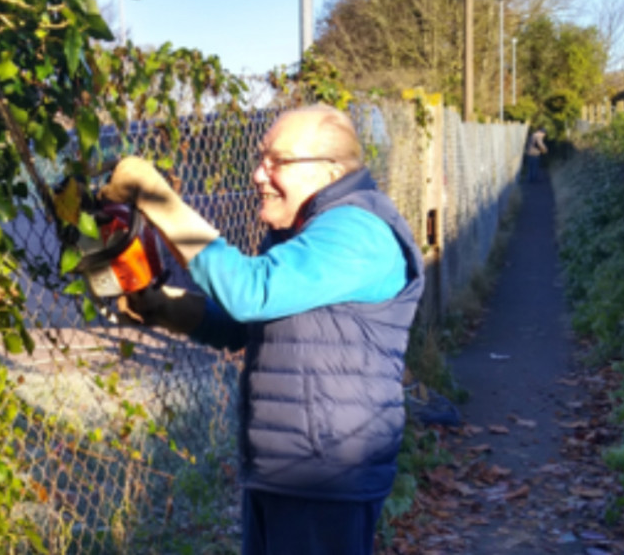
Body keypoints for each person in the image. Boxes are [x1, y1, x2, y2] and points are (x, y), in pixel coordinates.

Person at [99, 104, 424, 555]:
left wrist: (156, 197)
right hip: (286, 468)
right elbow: (243, 324)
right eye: (260, 158)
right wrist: (161, 308)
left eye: (278, 161)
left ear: (330, 172)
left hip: (326, 475)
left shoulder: (357, 231)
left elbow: (250, 291)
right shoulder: (305, 231)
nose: (258, 174)